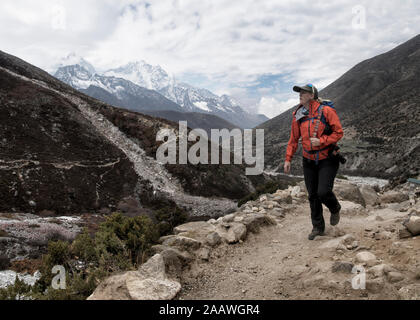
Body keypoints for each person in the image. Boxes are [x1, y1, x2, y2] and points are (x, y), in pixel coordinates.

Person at [284, 84, 344, 240]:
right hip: (308, 160)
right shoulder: (298, 114)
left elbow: (339, 132)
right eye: (300, 92)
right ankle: (318, 227)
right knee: (312, 196)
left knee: (323, 192)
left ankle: (335, 207)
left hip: (327, 158)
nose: (300, 95)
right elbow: (293, 139)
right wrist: (288, 158)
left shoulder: (326, 111)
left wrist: (322, 141)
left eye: (303, 92)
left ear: (312, 95)